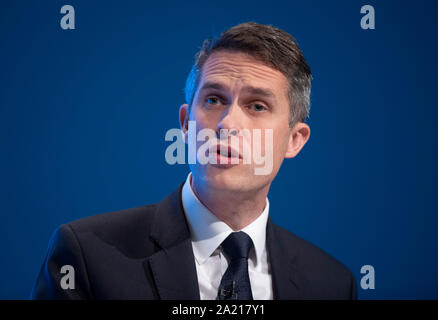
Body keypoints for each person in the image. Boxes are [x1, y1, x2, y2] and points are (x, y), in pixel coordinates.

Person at [31, 22, 357, 300]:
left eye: (257, 106)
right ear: (186, 125)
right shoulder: (85, 258)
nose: (228, 124)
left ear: (294, 139)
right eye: (214, 99)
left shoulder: (332, 284)